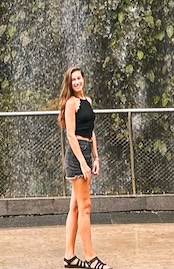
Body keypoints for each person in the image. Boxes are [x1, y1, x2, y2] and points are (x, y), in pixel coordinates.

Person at [58, 65, 113, 269]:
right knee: (85, 207)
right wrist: (82, 161)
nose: (77, 82)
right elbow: (71, 135)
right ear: (69, 83)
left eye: (79, 78)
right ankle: (91, 259)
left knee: (75, 207)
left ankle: (69, 257)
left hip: (87, 150)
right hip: (76, 154)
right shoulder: (71, 103)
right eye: (73, 80)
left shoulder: (87, 101)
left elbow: (92, 132)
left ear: (83, 79)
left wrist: (95, 157)